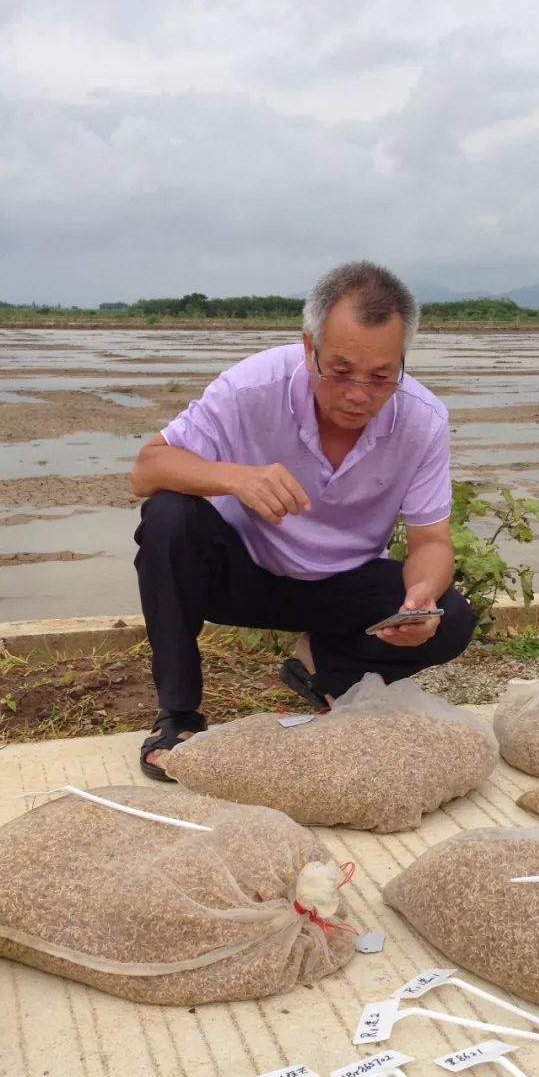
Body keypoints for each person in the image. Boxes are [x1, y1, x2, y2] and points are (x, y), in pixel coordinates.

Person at [131, 259, 476, 779]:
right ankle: (178, 714)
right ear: (308, 347)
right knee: (168, 516)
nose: (359, 394)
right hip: (242, 574)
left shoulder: (422, 420)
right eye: (339, 372)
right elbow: (147, 468)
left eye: (382, 376)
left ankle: (323, 666)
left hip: (341, 588)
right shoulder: (251, 387)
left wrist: (420, 598)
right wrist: (235, 478)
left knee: (450, 619)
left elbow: (431, 541)